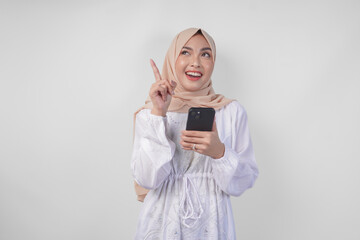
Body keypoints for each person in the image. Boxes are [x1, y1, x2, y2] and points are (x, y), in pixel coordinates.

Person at [130, 27, 259, 239]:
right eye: (185, 52)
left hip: (212, 222)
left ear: (213, 62)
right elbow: (147, 179)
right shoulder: (150, 114)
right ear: (172, 59)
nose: (196, 62)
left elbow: (243, 181)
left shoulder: (231, 112)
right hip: (160, 223)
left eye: (205, 54)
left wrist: (220, 153)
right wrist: (159, 114)